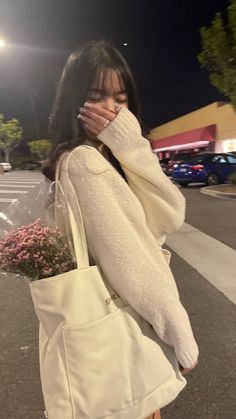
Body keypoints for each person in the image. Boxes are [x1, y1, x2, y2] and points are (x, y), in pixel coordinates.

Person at [43, 40, 198, 419]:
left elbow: (168, 215)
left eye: (120, 98)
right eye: (97, 97)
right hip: (124, 334)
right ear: (75, 102)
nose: (112, 109)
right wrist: (180, 335)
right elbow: (135, 262)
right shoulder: (86, 164)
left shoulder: (95, 157)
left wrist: (131, 149)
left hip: (107, 332)